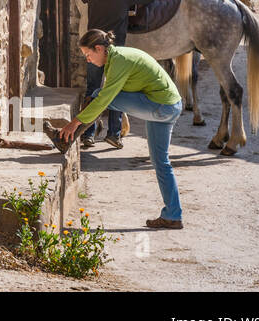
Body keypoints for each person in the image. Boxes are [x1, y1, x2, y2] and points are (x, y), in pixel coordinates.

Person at [59, 29, 185, 229]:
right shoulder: (116, 59)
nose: (88, 60)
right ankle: (173, 215)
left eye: (88, 55)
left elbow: (106, 99)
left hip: (162, 107)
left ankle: (72, 134)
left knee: (102, 95)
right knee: (161, 162)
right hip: (168, 106)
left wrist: (74, 122)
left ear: (99, 48)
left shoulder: (119, 60)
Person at [77, 0, 155, 149]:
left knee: (92, 90)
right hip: (115, 51)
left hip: (93, 48)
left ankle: (88, 134)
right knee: (115, 90)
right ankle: (114, 134)